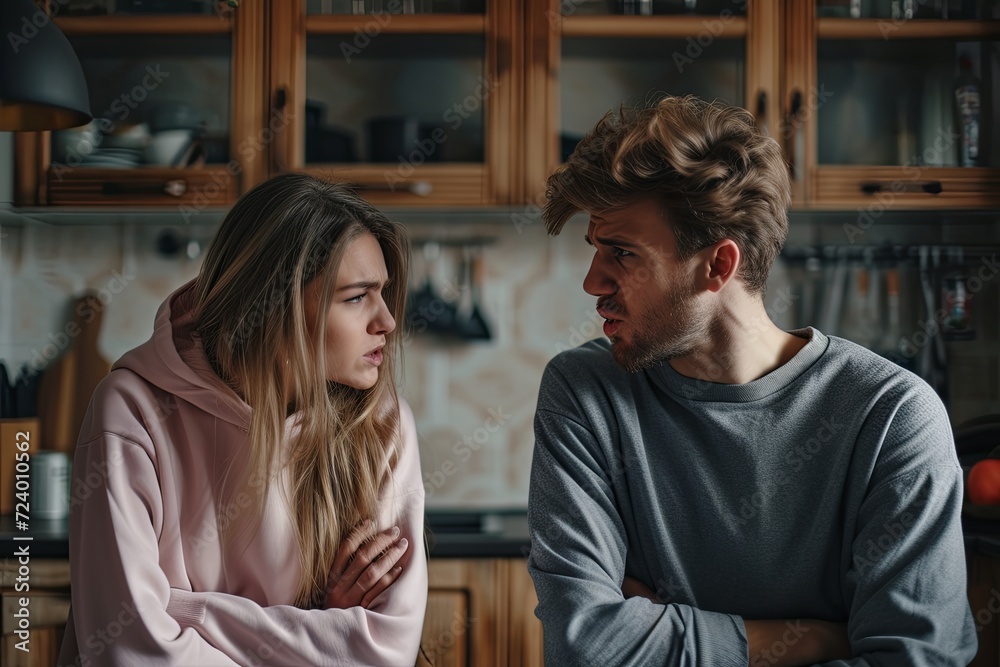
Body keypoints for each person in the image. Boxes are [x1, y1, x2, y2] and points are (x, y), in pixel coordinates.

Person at [526, 96, 976, 666]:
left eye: (622, 253)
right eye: (595, 250)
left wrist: (659, 638)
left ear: (718, 265)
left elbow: (916, 660)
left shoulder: (892, 416)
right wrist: (812, 640)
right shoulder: (586, 391)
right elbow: (583, 646)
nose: (593, 283)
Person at [58, 172, 427, 666]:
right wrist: (325, 624)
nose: (388, 321)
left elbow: (383, 650)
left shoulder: (382, 423)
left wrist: (180, 612)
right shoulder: (132, 410)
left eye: (382, 292)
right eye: (357, 296)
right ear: (276, 305)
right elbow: (132, 650)